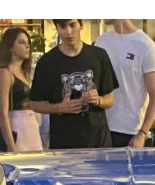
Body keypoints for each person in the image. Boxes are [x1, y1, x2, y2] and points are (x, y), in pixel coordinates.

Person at [28, 19, 117, 151]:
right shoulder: (47, 62)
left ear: (81, 25)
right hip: (64, 143)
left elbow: (110, 99)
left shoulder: (99, 56)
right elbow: (35, 104)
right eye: (63, 27)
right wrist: (59, 108)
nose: (68, 32)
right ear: (57, 28)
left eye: (72, 25)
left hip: (98, 142)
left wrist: (98, 100)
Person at [96, 20, 155, 149]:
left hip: (132, 131)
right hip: (103, 129)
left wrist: (143, 132)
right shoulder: (101, 42)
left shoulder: (146, 45)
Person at [0, 27, 42, 152]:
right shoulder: (5, 72)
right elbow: (2, 112)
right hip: (17, 125)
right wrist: (11, 145)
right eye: (21, 42)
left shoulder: (24, 73)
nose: (27, 47)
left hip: (32, 125)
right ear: (10, 46)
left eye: (28, 43)